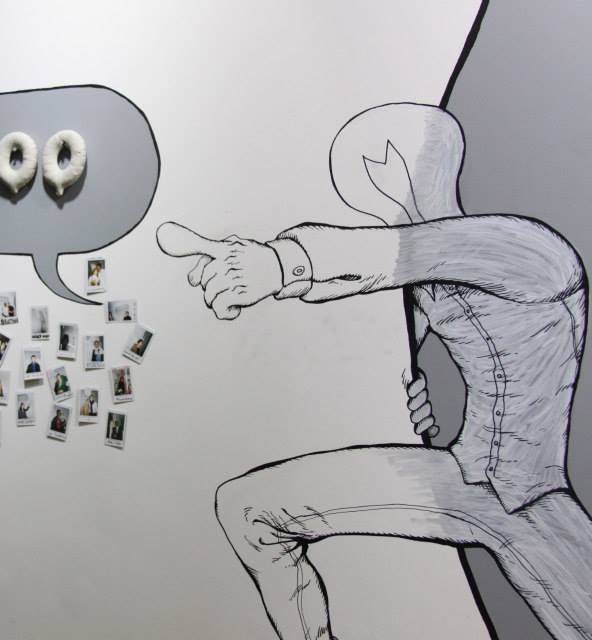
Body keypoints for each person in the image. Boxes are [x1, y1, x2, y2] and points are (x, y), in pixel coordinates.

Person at [158, 103, 592, 640]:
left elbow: (387, 255)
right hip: (461, 481)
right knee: (247, 511)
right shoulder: (429, 289)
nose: (366, 208)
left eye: (357, 185)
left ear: (388, 165)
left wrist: (278, 263)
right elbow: (368, 295)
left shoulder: (529, 249)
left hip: (532, 503)